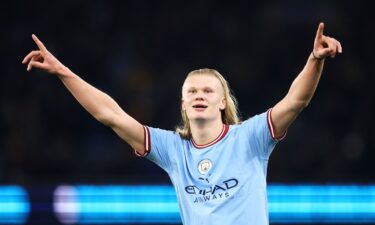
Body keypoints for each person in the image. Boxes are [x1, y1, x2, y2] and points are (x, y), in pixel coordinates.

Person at [22, 22, 342, 225]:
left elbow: (296, 101)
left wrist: (314, 60)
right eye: (191, 91)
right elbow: (110, 115)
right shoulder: (173, 150)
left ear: (222, 101)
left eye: (207, 90)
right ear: (183, 104)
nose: (199, 95)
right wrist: (63, 71)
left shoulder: (251, 138)